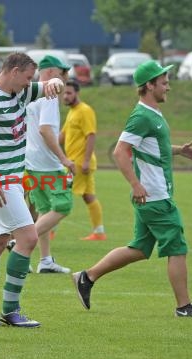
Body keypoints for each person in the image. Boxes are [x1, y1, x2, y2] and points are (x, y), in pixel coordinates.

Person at [72, 60, 192, 318]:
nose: (168, 87)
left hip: (150, 195)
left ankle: (87, 277)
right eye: (164, 83)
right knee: (177, 247)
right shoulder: (141, 116)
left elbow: (147, 147)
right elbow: (120, 151)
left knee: (139, 248)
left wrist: (178, 150)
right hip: (153, 196)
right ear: (149, 86)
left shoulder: (152, 115)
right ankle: (184, 307)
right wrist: (136, 184)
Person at [0, 52, 63, 327]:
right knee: (28, 238)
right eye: (26, 78)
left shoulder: (20, 94)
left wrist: (55, 83)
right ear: (13, 71)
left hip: (12, 179)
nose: (29, 84)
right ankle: (11, 310)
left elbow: (53, 84)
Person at [24, 55, 75, 274]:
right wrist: (63, 158)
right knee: (63, 206)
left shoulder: (31, 93)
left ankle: (45, 260)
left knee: (44, 209)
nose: (66, 77)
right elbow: (46, 129)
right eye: (63, 72)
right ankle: (20, 244)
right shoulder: (50, 94)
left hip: (31, 161)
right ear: (52, 72)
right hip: (47, 163)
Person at [60, 79, 106, 241]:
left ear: (77, 93)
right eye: (64, 93)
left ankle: (47, 229)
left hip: (79, 164)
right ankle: (99, 232)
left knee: (60, 193)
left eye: (69, 93)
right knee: (89, 196)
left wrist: (86, 161)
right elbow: (62, 136)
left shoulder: (85, 111)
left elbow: (91, 135)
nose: (65, 96)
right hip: (75, 162)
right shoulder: (72, 111)